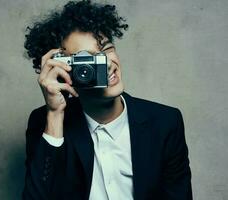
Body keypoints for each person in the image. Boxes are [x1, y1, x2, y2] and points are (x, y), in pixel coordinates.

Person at [22, 1, 192, 200]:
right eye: (89, 59)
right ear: (63, 69)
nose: (108, 64)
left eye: (107, 49)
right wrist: (55, 114)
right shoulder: (45, 122)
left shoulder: (165, 123)